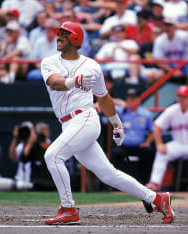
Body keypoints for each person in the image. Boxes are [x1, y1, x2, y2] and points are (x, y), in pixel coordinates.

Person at [40, 21, 174, 225]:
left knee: (53, 156)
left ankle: (68, 208)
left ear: (76, 39)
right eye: (59, 34)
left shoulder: (92, 66)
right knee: (108, 174)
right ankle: (157, 198)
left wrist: (117, 123)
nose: (59, 37)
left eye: (64, 34)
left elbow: (103, 98)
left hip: (84, 118)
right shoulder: (49, 62)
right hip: (68, 124)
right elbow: (55, 83)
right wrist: (74, 81)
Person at [146, 85, 188, 192]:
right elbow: (157, 127)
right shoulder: (172, 110)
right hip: (178, 144)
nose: (181, 99)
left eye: (184, 97)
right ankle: (155, 183)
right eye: (179, 96)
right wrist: (159, 144)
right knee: (162, 152)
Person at [110, 87, 155, 184]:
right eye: (129, 99)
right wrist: (120, 102)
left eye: (133, 99)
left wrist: (147, 142)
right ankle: (113, 184)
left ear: (139, 100)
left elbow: (152, 131)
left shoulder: (146, 114)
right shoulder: (122, 111)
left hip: (139, 146)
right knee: (115, 154)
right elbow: (108, 105)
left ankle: (144, 181)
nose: (130, 101)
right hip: (124, 145)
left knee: (149, 152)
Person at [152, 17, 188, 85]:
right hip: (168, 65)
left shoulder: (182, 35)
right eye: (165, 25)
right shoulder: (160, 40)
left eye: (169, 25)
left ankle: (187, 93)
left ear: (174, 26)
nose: (167, 27)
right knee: (158, 75)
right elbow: (157, 60)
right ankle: (162, 95)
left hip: (184, 64)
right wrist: (172, 71)